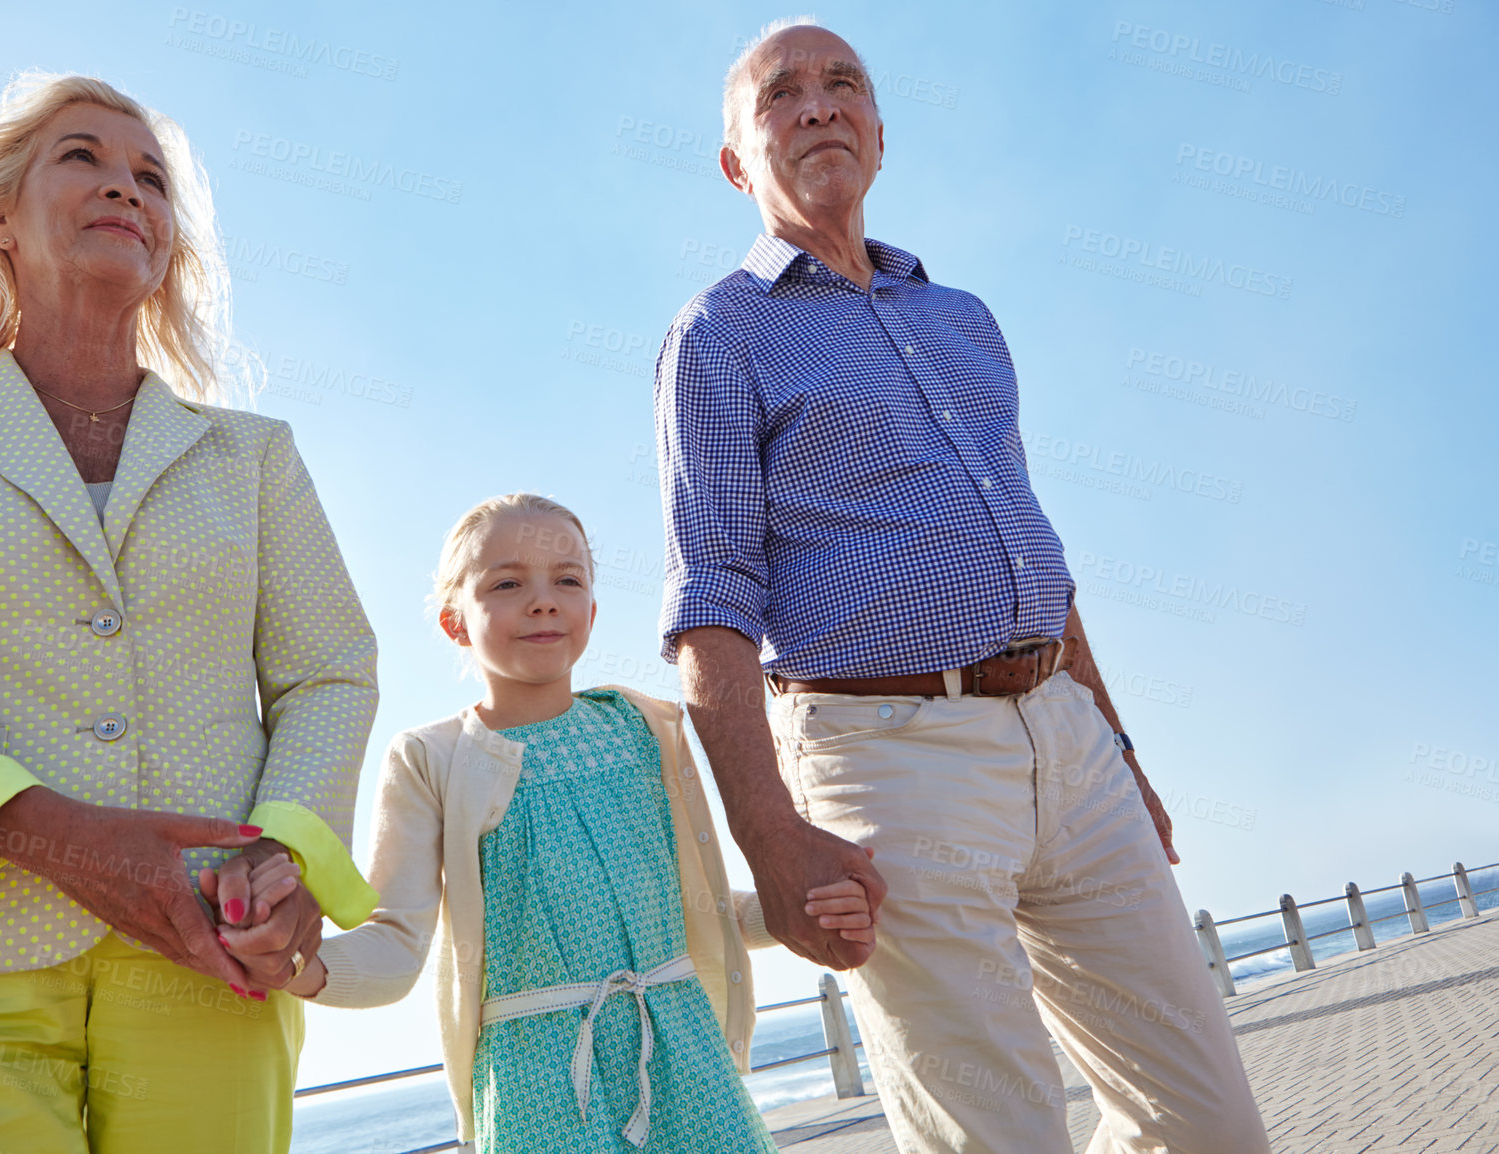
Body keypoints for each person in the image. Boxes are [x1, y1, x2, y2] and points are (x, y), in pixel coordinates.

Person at [653, 19, 1272, 1154]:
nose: (820, 105)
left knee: (1211, 1125)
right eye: (781, 94)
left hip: (1070, 741)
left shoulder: (963, 318)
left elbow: (1035, 549)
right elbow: (711, 597)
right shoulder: (717, 333)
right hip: (887, 755)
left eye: (845, 84)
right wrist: (771, 841)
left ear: (880, 132)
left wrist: (1120, 750)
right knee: (996, 1133)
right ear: (738, 159)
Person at [0, 73, 378, 1153]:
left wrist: (282, 858)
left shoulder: (255, 457)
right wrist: (68, 840)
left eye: (151, 177)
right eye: (82, 157)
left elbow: (327, 671)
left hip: (207, 954)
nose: (124, 186)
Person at [234, 493, 870, 1152]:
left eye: (567, 580)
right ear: (455, 622)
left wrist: (812, 905)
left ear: (591, 611)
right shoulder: (430, 758)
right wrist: (293, 965)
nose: (543, 601)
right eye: (507, 583)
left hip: (687, 1060)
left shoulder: (646, 728)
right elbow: (396, 944)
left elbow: (702, 908)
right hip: (537, 1084)